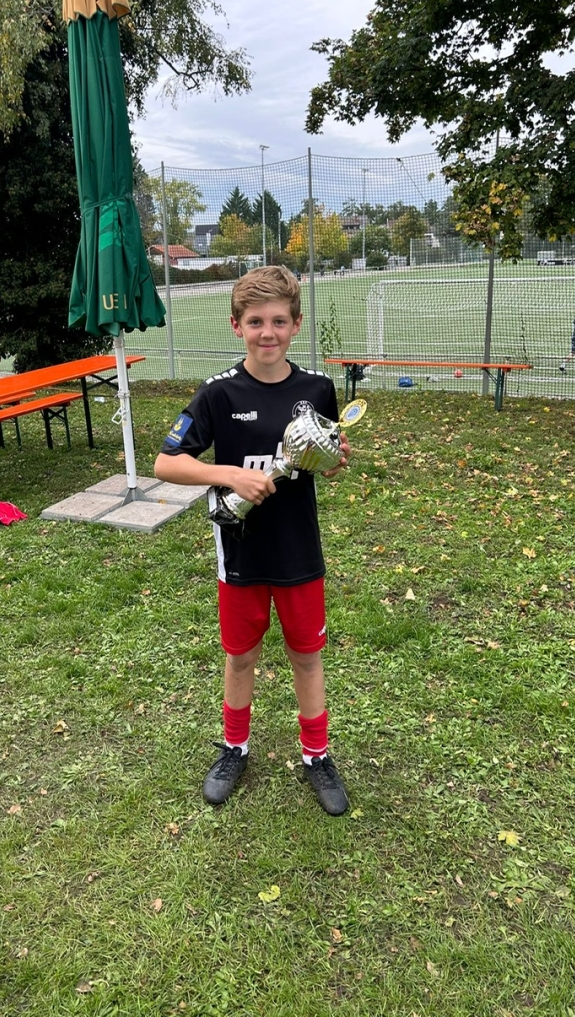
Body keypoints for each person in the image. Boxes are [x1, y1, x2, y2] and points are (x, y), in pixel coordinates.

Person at [154, 265, 352, 815]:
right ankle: (234, 749)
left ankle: (317, 755)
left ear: (296, 324)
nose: (269, 333)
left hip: (298, 549)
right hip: (240, 549)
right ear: (236, 325)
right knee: (241, 656)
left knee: (306, 656)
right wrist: (230, 475)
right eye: (257, 322)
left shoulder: (317, 389)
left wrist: (333, 459)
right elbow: (167, 463)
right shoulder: (219, 393)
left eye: (280, 321)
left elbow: (324, 459)